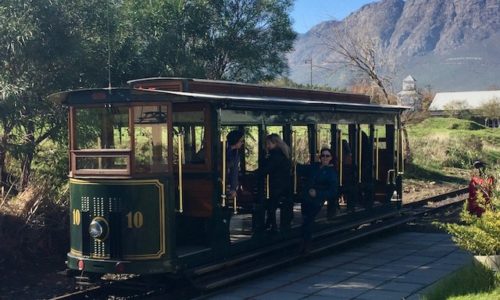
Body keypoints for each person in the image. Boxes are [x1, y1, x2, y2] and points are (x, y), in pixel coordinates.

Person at [299, 148, 339, 253]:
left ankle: (306, 244)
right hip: (307, 198)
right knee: (306, 219)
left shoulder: (331, 173)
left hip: (317, 200)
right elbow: (301, 169)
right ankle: (304, 242)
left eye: (327, 156)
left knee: (308, 220)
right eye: (323, 156)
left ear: (331, 158)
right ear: (320, 157)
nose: (325, 158)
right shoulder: (314, 167)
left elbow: (333, 191)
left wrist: (319, 194)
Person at [261, 134, 292, 232]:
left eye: (268, 144)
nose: (267, 146)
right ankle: (270, 224)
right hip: (284, 183)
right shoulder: (283, 154)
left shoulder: (275, 155)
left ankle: (272, 225)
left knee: (271, 205)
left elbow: (268, 168)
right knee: (272, 204)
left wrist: (257, 172)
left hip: (277, 184)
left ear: (275, 143)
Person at [226, 130, 244, 199]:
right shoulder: (226, 153)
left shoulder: (235, 153)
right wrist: (232, 188)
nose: (242, 143)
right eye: (241, 141)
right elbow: (232, 171)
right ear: (235, 140)